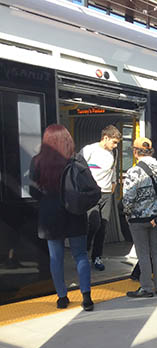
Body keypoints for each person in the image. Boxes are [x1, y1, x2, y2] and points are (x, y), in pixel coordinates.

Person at [29, 124, 94, 311]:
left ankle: (62, 297)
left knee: (55, 257)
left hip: (50, 214)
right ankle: (87, 297)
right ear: (68, 140)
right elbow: (89, 186)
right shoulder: (77, 159)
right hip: (74, 211)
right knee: (80, 255)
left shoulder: (37, 161)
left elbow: (33, 190)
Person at [122, 138, 157, 298]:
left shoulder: (133, 172)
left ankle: (147, 288)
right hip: (156, 218)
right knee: (156, 252)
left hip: (138, 219)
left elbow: (128, 198)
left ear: (135, 152)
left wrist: (127, 214)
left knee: (143, 254)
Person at [82, 124, 121, 271]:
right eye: (114, 142)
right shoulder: (89, 150)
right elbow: (79, 168)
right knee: (93, 223)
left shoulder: (114, 153)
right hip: (91, 192)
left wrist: (113, 184)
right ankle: (84, 250)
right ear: (105, 138)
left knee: (103, 227)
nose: (115, 146)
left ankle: (97, 256)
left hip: (106, 193)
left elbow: (113, 169)